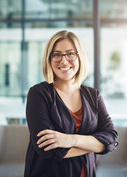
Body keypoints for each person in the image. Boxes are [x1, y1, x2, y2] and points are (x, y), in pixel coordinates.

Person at [24, 30, 118, 177]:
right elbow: (47, 149)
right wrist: (96, 145)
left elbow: (111, 138)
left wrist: (69, 139)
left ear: (80, 57)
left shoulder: (93, 95)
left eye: (70, 53)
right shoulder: (38, 94)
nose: (64, 60)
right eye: (56, 54)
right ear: (49, 60)